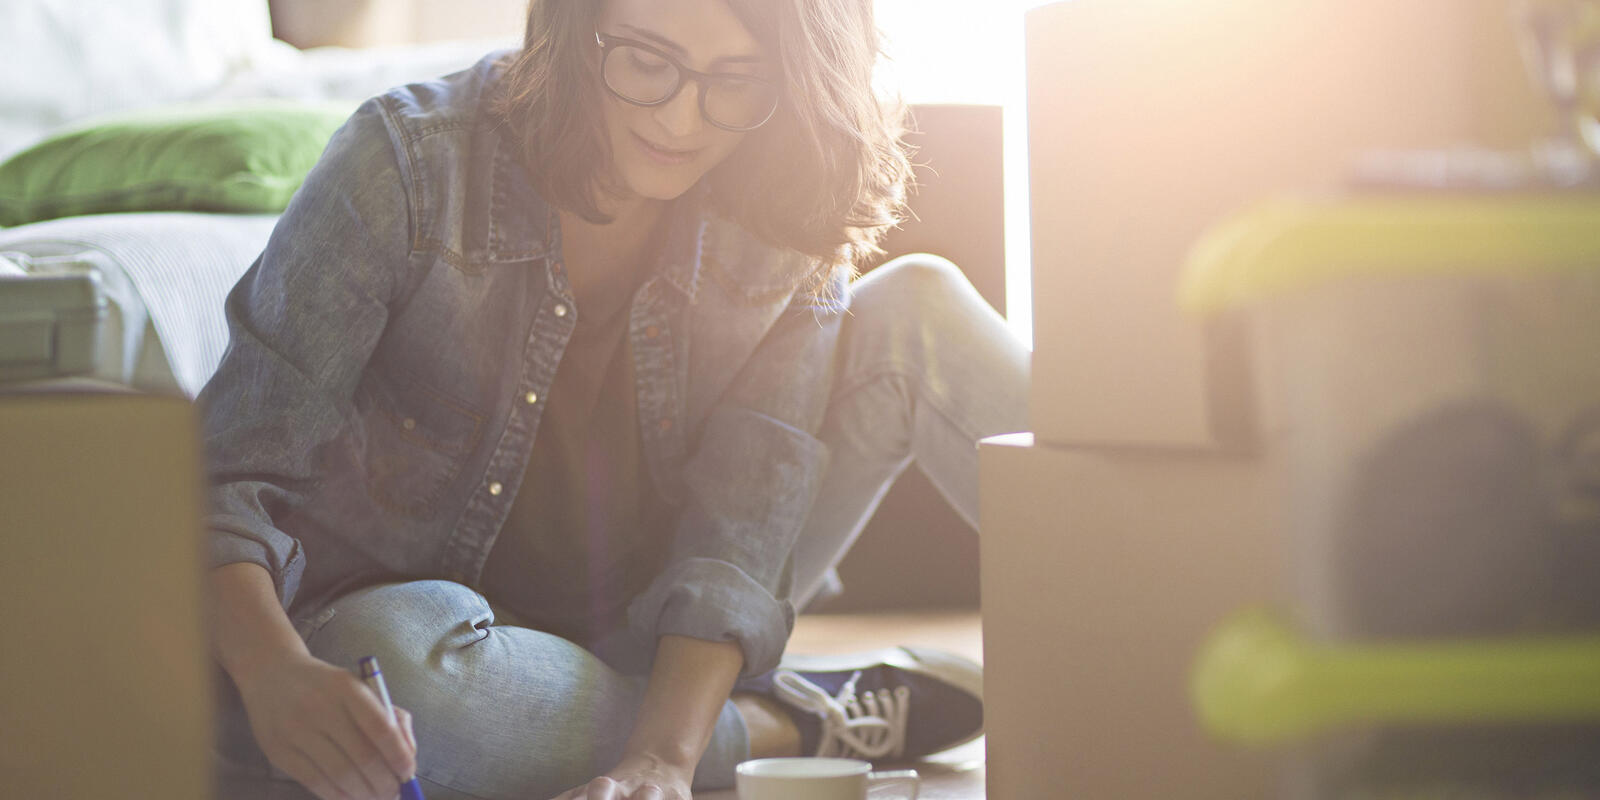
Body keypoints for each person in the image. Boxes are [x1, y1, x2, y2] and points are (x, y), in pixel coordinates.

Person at [201, 0, 1028, 797]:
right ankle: (779, 728)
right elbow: (223, 478)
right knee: (391, 680)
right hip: (435, 640)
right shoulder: (408, 165)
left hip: (664, 616)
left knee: (923, 305)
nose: (681, 119)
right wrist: (274, 674)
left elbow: (739, 533)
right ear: (576, 28)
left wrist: (663, 762)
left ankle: (1154, 635)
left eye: (736, 78)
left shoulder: (778, 185)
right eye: (646, 60)